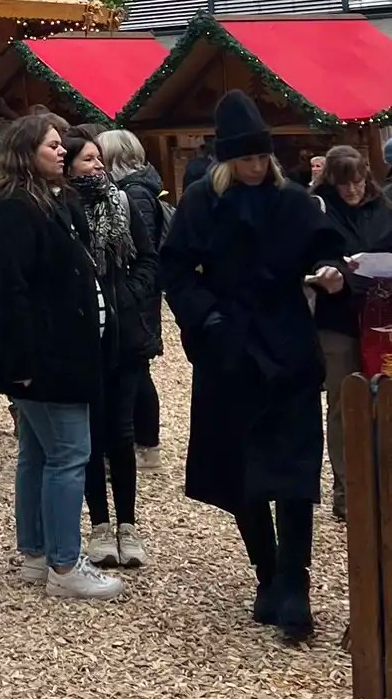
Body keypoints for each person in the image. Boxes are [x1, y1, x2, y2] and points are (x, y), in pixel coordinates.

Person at [162, 90, 336, 642]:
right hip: (231, 351)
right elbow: (175, 269)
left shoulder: (294, 202)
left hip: (287, 349)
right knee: (241, 469)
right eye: (247, 159)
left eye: (263, 157)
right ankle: (266, 571)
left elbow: (325, 246)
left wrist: (330, 268)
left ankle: (295, 582)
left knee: (295, 469)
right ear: (228, 161)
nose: (257, 167)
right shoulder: (201, 202)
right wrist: (207, 317)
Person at [0, 111, 123, 601]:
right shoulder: (17, 209)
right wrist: (20, 363)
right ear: (26, 152)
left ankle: (37, 552)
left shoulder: (51, 201)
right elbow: (10, 292)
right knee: (68, 454)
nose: (62, 152)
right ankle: (64, 563)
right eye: (52, 146)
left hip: (62, 349)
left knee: (38, 453)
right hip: (48, 355)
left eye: (62, 145)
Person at [63, 126, 159, 569]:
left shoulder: (120, 202)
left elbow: (147, 257)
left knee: (121, 432)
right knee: (92, 433)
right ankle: (99, 525)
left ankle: (128, 525)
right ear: (69, 166)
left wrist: (129, 294)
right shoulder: (60, 210)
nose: (97, 166)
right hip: (82, 334)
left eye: (99, 158)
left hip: (124, 334)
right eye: (88, 159)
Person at [311, 144, 391, 521]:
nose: (352, 190)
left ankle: (382, 480)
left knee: (383, 396)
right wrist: (331, 273)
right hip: (337, 318)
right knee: (343, 401)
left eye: (357, 182)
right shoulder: (319, 211)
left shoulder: (383, 208)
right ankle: (347, 485)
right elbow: (313, 255)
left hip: (382, 318)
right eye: (344, 184)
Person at [97, 127, 167, 461]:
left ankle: (146, 444)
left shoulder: (133, 193)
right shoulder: (140, 186)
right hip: (138, 295)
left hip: (137, 297)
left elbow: (142, 249)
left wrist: (130, 291)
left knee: (137, 371)